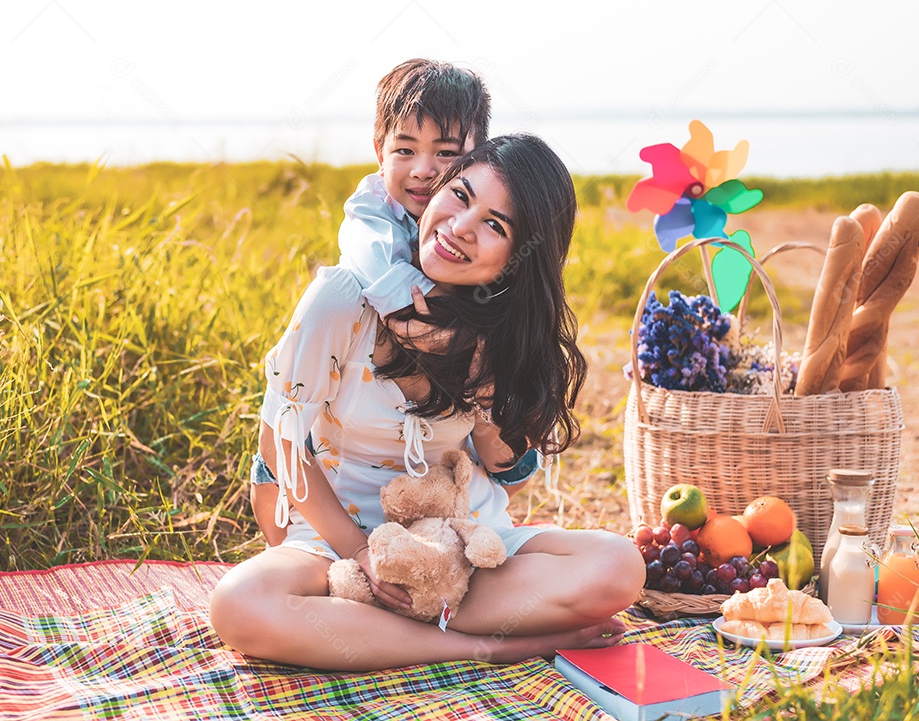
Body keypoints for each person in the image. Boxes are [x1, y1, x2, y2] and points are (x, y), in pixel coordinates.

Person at [210, 134, 645, 671]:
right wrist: (362, 553)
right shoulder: (344, 299)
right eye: (461, 196)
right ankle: (494, 645)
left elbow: (509, 470)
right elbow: (278, 444)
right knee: (238, 605)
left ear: (517, 261)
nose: (460, 227)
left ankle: (390, 625)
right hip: (340, 541)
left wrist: (482, 381)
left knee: (619, 566)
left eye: (495, 225)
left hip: (461, 546)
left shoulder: (505, 332)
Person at [251, 58, 541, 546]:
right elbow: (369, 259)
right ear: (378, 152)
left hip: (447, 493)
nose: (423, 171)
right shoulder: (369, 228)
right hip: (321, 472)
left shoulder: (488, 262)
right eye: (404, 149)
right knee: (268, 564)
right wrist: (410, 314)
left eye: (446, 153)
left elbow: (510, 467)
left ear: (479, 158)